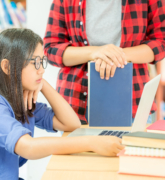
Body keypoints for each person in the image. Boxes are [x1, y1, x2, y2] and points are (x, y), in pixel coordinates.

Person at [0, 28, 124, 180]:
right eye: (35, 63)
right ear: (7, 67)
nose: (42, 70)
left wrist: (44, 85)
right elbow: (28, 147)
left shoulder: (23, 102)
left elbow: (71, 124)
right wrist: (92, 143)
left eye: (42, 61)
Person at [44, 0, 165, 124]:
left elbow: (163, 40)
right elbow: (51, 48)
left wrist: (116, 55)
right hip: (75, 104)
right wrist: (94, 52)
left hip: (133, 102)